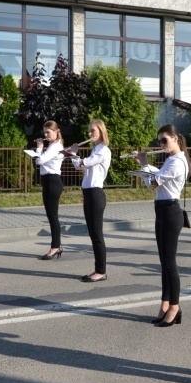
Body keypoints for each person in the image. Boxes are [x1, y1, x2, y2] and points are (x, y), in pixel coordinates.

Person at [137, 124, 188, 328]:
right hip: (163, 210)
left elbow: (153, 184)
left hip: (170, 212)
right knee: (164, 262)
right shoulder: (172, 160)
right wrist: (147, 167)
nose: (161, 144)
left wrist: (143, 164)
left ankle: (175, 307)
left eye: (164, 140)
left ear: (175, 138)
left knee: (169, 264)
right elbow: (158, 175)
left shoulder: (176, 161)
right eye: (159, 141)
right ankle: (165, 304)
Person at [70, 120, 112, 282]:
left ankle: (100, 271)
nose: (89, 134)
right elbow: (78, 167)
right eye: (89, 131)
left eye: (93, 131)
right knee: (93, 234)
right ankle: (99, 269)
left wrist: (73, 154)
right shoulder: (95, 150)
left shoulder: (103, 151)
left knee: (97, 235)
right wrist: (72, 155)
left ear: (101, 131)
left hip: (95, 194)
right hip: (88, 193)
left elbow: (84, 163)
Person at [34, 120, 65, 259]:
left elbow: (39, 161)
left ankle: (55, 247)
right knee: (51, 216)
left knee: (53, 217)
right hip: (48, 181)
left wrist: (39, 148)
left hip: (53, 181)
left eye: (48, 132)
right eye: (44, 132)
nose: (46, 134)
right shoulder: (53, 145)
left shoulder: (55, 146)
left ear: (56, 131)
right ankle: (56, 246)